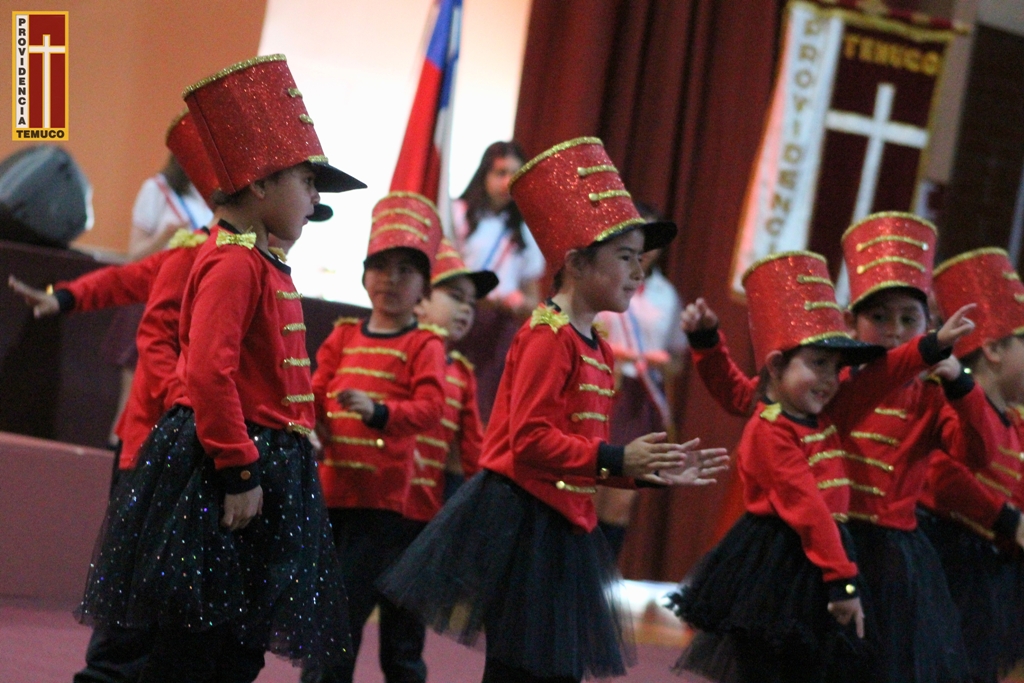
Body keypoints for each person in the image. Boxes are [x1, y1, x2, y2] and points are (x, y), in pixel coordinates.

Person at [379, 137, 730, 683]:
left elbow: (582, 453)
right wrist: (617, 458)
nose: (638, 272)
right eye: (625, 257)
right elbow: (530, 442)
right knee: (520, 672)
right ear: (576, 262)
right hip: (527, 527)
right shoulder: (547, 335)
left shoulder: (599, 347)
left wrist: (646, 471)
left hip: (566, 528)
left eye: (640, 259)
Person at [76, 54, 365, 683]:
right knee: (197, 645)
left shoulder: (260, 260)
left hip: (265, 458)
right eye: (308, 182)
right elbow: (209, 373)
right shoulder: (235, 262)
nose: (316, 200)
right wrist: (239, 469)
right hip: (227, 464)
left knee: (235, 643)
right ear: (260, 185)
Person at [682, 213, 988, 682]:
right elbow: (748, 396)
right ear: (850, 321)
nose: (894, 331)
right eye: (879, 317)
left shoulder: (924, 393)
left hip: (885, 559)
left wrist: (958, 379)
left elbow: (975, 453)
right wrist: (707, 345)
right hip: (811, 550)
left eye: (909, 319)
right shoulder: (826, 389)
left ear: (928, 323)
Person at [305, 191, 446, 683]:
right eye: (380, 267)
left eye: (406, 270)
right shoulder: (344, 334)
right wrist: (311, 426)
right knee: (326, 615)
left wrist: (379, 411)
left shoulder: (424, 344)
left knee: (352, 618)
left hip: (383, 507)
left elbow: (431, 409)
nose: (390, 279)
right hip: (331, 496)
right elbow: (313, 392)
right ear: (364, 275)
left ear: (424, 286)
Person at [917, 248, 1024, 683]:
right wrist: (1007, 519)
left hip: (990, 573)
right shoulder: (949, 402)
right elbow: (941, 475)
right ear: (994, 348)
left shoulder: (1016, 423)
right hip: (943, 562)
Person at [593, 202, 687, 557]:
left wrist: (661, 362)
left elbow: (677, 359)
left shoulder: (666, 295)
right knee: (589, 492)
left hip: (642, 397)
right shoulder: (603, 282)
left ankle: (602, 578)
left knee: (621, 502)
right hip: (603, 391)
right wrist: (618, 353)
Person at [451, 141, 546, 422]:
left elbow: (534, 301)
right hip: (457, 319)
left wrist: (517, 302)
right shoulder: (458, 213)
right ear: (484, 174)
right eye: (501, 173)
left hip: (499, 331)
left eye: (515, 174)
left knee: (483, 410)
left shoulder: (527, 231)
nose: (508, 182)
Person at [410, 237, 496, 503]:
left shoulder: (461, 374)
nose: (466, 309)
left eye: (471, 303)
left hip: (423, 509)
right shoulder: (394, 350)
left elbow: (473, 451)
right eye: (456, 297)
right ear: (420, 299)